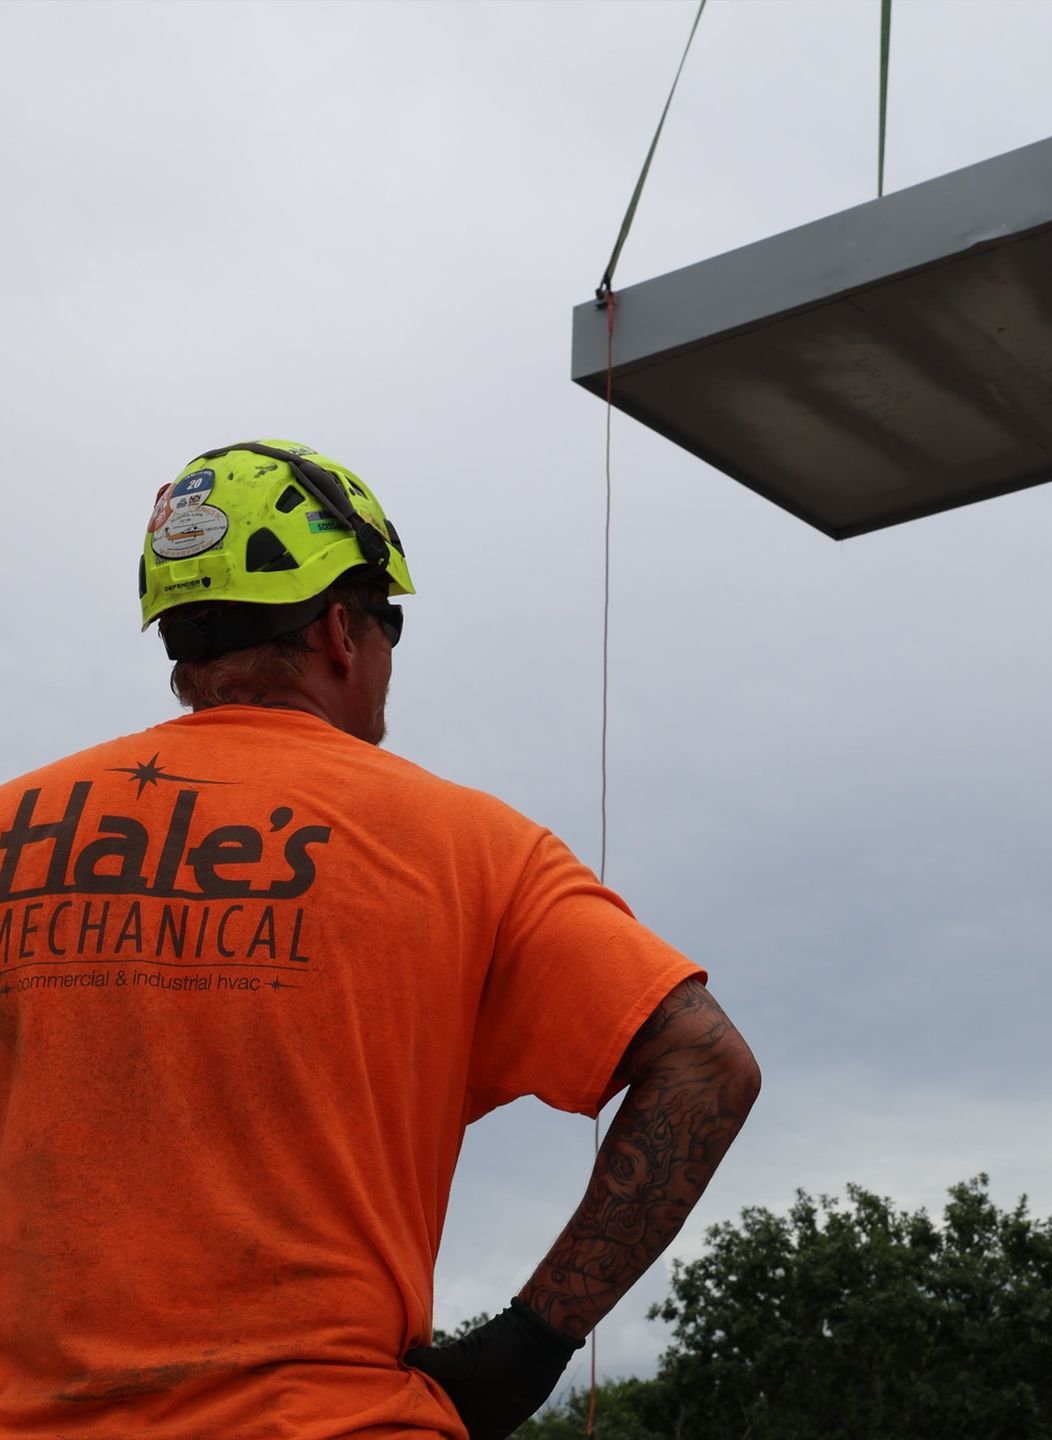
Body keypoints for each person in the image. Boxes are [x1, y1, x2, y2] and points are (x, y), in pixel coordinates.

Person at [0, 440, 761, 1439]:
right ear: (338, 631)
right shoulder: (472, 846)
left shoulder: (16, 827)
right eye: (389, 622)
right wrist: (524, 1349)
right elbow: (708, 1063)